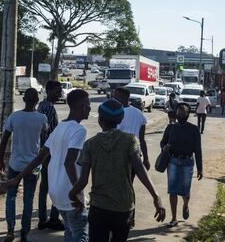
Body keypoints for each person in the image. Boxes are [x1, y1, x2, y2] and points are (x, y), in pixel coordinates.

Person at [69, 99, 165, 241]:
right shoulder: (130, 140)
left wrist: (72, 194)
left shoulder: (90, 145)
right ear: (120, 119)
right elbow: (140, 170)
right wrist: (156, 197)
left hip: (99, 207)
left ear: (100, 119)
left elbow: (83, 181)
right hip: (123, 207)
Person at [5, 89, 91, 242]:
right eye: (89, 105)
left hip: (56, 194)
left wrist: (17, 178)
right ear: (83, 106)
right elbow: (69, 162)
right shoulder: (79, 130)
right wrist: (77, 193)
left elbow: (40, 157)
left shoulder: (60, 127)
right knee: (80, 236)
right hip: (70, 195)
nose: (90, 108)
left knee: (70, 233)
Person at [0, 88, 48, 242]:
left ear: (24, 99)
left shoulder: (14, 117)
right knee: (28, 200)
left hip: (15, 164)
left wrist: (1, 159)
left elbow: (4, 139)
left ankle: (10, 231)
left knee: (11, 197)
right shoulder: (42, 118)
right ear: (37, 101)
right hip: (33, 165)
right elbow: (45, 138)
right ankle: (24, 235)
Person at [160, 103, 203, 228]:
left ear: (188, 114)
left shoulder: (194, 129)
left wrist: (200, 168)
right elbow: (162, 142)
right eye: (178, 112)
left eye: (183, 112)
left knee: (185, 191)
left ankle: (185, 205)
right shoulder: (170, 128)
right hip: (173, 161)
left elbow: (198, 150)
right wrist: (164, 147)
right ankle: (174, 218)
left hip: (187, 163)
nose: (180, 114)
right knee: (172, 190)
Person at [113, 86, 150, 228]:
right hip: (136, 155)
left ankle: (123, 217)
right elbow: (142, 139)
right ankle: (130, 217)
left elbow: (114, 137)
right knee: (129, 186)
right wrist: (145, 158)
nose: (114, 99)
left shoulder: (118, 114)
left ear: (124, 98)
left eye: (116, 96)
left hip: (122, 157)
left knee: (121, 187)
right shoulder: (139, 114)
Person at [37, 80, 65, 231]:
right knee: (55, 185)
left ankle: (43, 219)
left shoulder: (44, 106)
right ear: (49, 91)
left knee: (45, 187)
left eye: (60, 91)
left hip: (46, 152)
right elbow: (46, 133)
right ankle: (53, 219)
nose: (59, 93)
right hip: (49, 153)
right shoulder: (47, 107)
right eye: (57, 91)